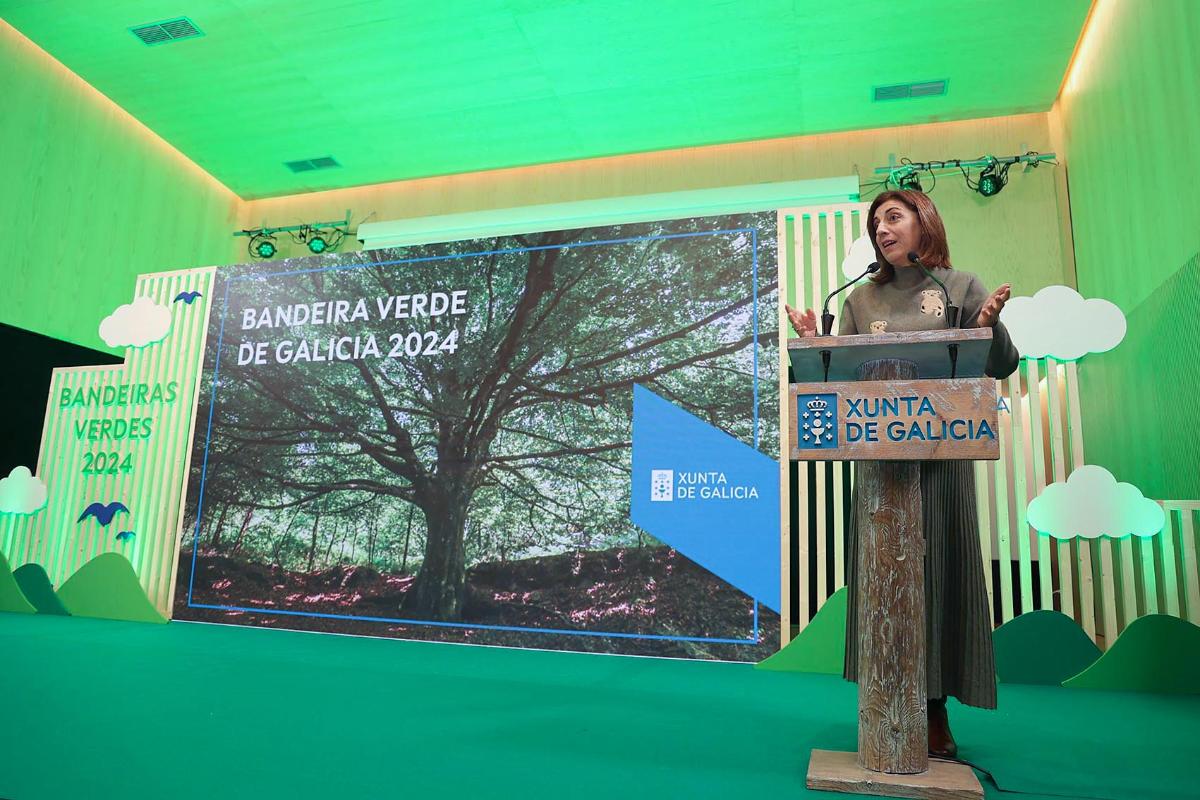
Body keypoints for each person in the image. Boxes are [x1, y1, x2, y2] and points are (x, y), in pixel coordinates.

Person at [784, 189, 1018, 759]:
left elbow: (1002, 365)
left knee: (937, 575)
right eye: (875, 223)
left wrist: (988, 327)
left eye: (894, 217)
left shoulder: (957, 286)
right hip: (879, 466)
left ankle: (934, 708)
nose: (882, 230)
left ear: (924, 223)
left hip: (939, 463)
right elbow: (836, 380)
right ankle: (885, 702)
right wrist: (816, 347)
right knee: (883, 582)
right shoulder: (860, 297)